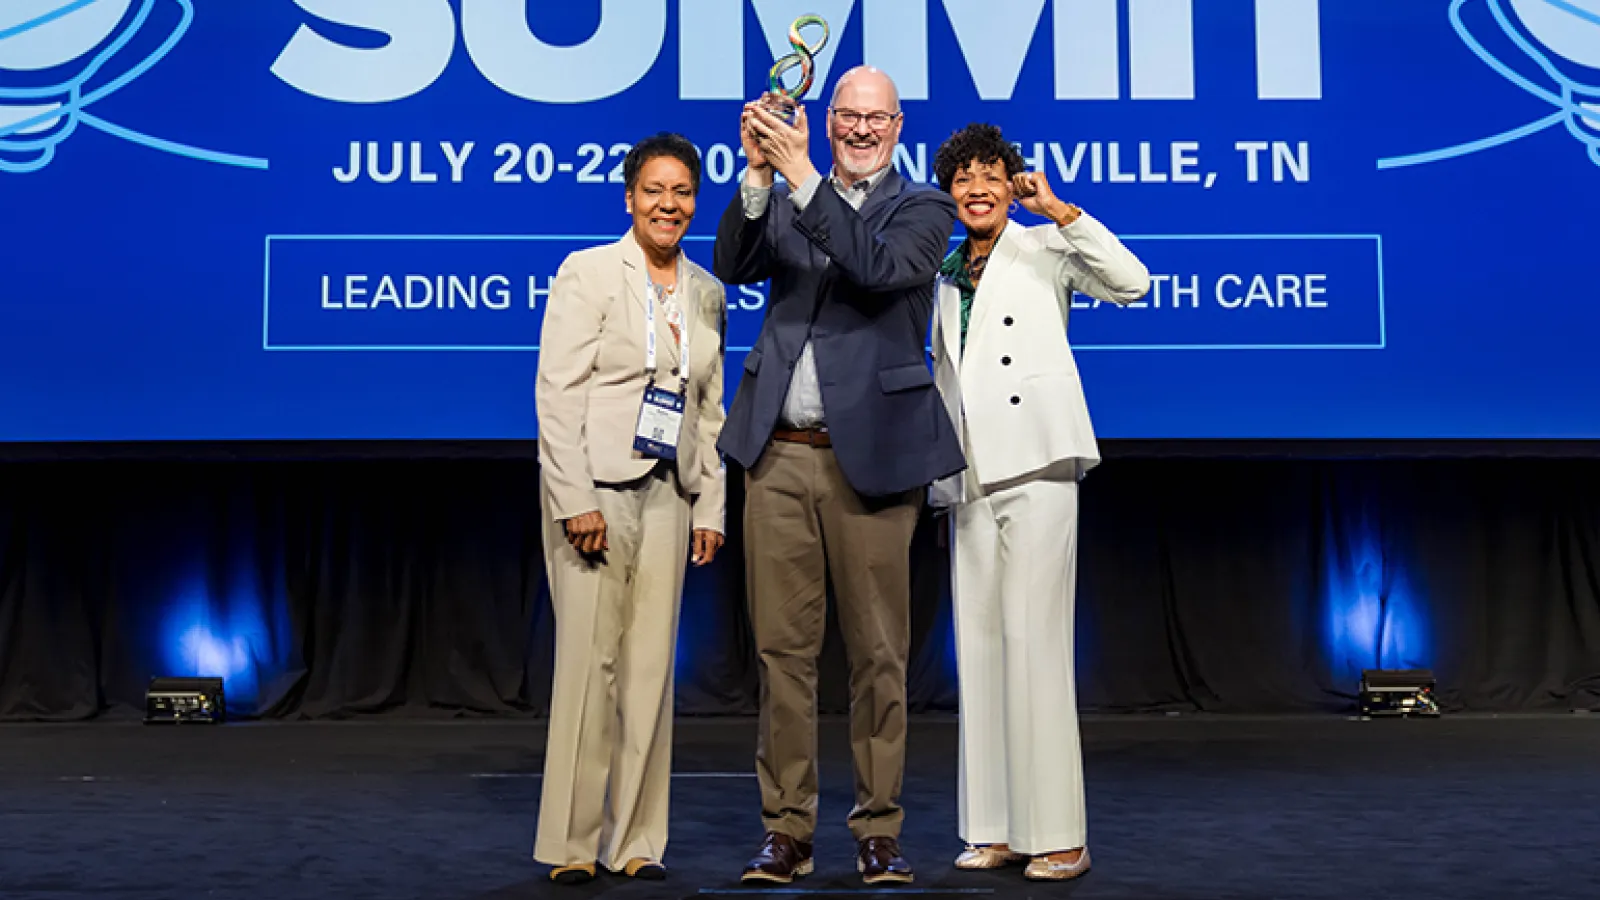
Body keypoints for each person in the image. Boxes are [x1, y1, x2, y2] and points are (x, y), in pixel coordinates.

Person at [715, 67, 963, 886]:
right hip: (778, 453)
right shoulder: (784, 189)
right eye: (847, 116)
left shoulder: (924, 207)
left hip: (876, 459)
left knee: (878, 656)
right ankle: (786, 830)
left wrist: (799, 179)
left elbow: (876, 271)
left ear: (897, 125)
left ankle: (878, 829)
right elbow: (733, 261)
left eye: (876, 118)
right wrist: (757, 173)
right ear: (827, 121)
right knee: (782, 655)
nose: (861, 129)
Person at [927, 123, 1149, 881]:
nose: (978, 189)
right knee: (981, 651)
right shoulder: (945, 268)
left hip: (1038, 460)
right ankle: (995, 825)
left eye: (991, 175)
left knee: (1036, 645)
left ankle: (1059, 833)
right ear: (950, 192)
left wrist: (1060, 211)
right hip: (969, 474)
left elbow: (1132, 282)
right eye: (963, 179)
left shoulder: (1044, 248)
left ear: (1011, 182)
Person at [533, 132, 728, 885]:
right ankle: (576, 844)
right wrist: (572, 496)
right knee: (590, 669)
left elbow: (708, 410)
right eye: (655, 190)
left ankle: (638, 840)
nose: (668, 205)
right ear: (629, 197)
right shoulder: (587, 273)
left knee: (650, 671)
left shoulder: (705, 291)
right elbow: (557, 393)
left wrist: (710, 503)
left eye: (681, 193)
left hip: (671, 494)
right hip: (597, 494)